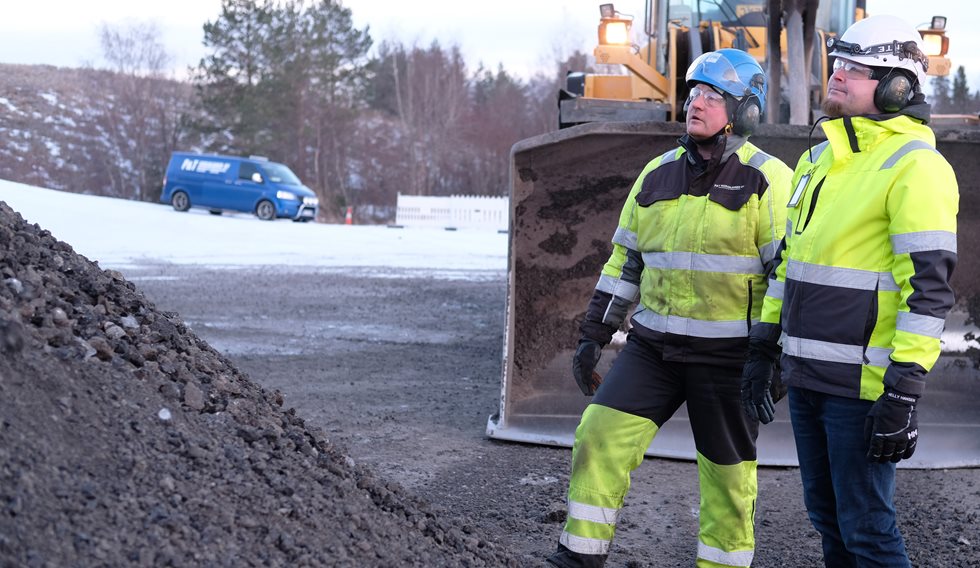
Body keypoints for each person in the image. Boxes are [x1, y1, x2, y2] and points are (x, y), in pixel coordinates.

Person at [546, 48, 793, 568]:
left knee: (727, 478)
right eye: (694, 92)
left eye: (712, 96)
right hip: (652, 351)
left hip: (728, 358)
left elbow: (787, 276)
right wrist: (594, 335)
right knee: (598, 434)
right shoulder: (655, 174)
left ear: (745, 111)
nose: (695, 103)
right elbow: (625, 262)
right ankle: (578, 556)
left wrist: (769, 355)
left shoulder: (769, 181)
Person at [740, 14, 959, 567]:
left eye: (856, 69)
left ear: (897, 87)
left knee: (868, 531)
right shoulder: (816, 159)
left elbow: (928, 292)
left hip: (863, 388)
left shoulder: (917, 167)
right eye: (837, 64)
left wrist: (904, 389)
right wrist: (765, 345)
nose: (836, 75)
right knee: (828, 520)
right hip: (806, 377)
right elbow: (791, 263)